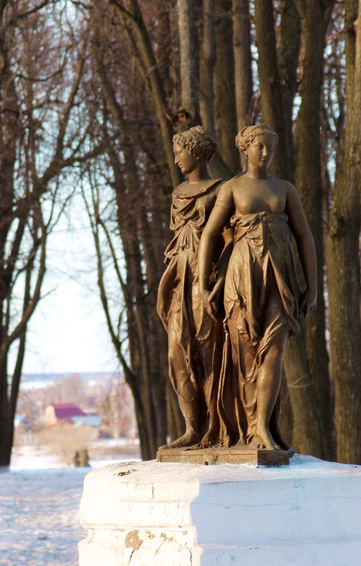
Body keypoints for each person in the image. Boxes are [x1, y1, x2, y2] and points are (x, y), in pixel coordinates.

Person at [197, 124, 317, 451]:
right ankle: (246, 428)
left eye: (270, 147)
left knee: (274, 349)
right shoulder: (233, 188)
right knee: (246, 355)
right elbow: (210, 234)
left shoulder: (285, 189)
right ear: (245, 148)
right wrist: (204, 284)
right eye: (260, 147)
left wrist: (312, 286)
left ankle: (262, 425)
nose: (266, 153)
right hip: (242, 275)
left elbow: (304, 236)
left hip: (280, 275)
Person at [157, 126, 225, 449]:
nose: (176, 159)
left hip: (205, 278)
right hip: (179, 277)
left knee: (208, 352)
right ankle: (191, 427)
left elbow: (229, 239)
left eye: (179, 152)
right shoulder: (178, 193)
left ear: (196, 152)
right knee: (177, 351)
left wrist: (218, 281)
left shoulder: (220, 190)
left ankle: (213, 426)